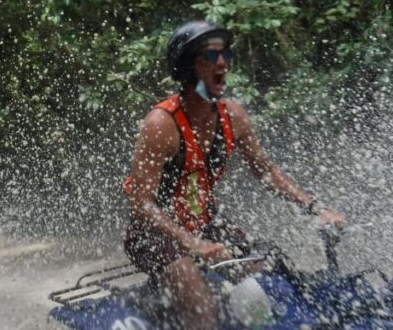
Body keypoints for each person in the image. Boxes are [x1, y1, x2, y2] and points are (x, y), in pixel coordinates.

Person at [123, 20, 345, 330]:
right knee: (202, 312)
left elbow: (266, 172)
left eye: (225, 54)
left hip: (206, 223)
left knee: (267, 278)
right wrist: (192, 244)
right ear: (188, 68)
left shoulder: (233, 116)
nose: (223, 62)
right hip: (156, 234)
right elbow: (141, 204)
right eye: (210, 56)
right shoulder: (160, 124)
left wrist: (315, 208)